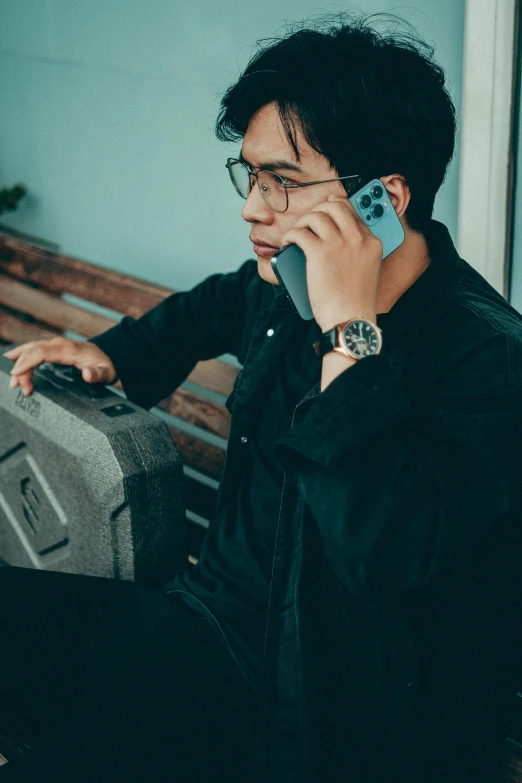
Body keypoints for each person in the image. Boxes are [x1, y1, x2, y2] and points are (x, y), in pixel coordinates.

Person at [1, 11, 522, 782]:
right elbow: (212, 305)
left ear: (384, 199)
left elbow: (382, 551)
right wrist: (111, 351)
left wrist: (352, 332)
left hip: (300, 710)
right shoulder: (286, 285)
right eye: (250, 175)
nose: (252, 206)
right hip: (196, 617)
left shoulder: (487, 363)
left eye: (281, 181)